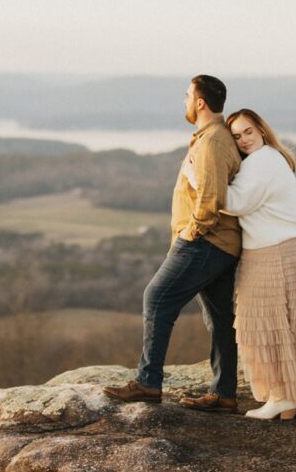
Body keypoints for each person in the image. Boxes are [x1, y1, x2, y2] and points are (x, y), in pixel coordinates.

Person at [103, 75, 243, 412]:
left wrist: (189, 234)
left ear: (200, 102)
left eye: (186, 96)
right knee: (221, 318)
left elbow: (210, 199)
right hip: (222, 243)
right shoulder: (215, 138)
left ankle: (148, 383)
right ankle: (224, 394)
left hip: (205, 241)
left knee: (157, 297)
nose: (184, 102)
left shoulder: (211, 142)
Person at [221, 108, 296, 420]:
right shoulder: (273, 158)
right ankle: (284, 399)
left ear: (261, 130)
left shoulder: (262, 162)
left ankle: (280, 397)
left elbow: (235, 203)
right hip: (290, 249)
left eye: (248, 131)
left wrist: (197, 174)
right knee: (283, 326)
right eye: (236, 136)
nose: (244, 140)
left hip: (273, 252)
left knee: (260, 324)